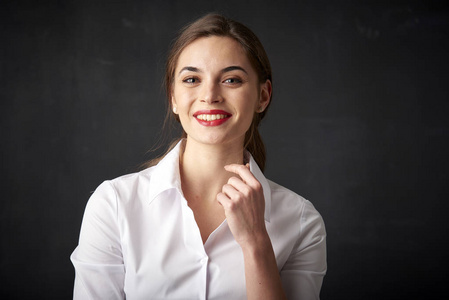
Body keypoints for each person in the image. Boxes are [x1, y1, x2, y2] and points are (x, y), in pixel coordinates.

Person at [71, 13, 326, 300]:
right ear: (173, 97)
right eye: (192, 79)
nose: (210, 95)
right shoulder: (113, 205)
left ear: (263, 96)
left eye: (231, 80)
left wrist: (256, 243)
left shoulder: (303, 222)